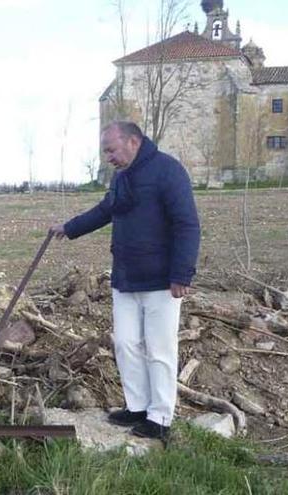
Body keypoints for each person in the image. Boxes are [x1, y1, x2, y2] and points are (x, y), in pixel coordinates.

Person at [50, 121, 200, 440]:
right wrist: (70, 227)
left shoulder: (168, 171)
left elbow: (187, 224)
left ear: (133, 142)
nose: (108, 157)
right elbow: (106, 210)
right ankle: (137, 406)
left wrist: (181, 274)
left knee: (160, 348)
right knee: (126, 343)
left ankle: (159, 418)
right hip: (126, 279)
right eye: (105, 151)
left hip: (162, 282)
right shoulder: (122, 178)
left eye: (111, 150)